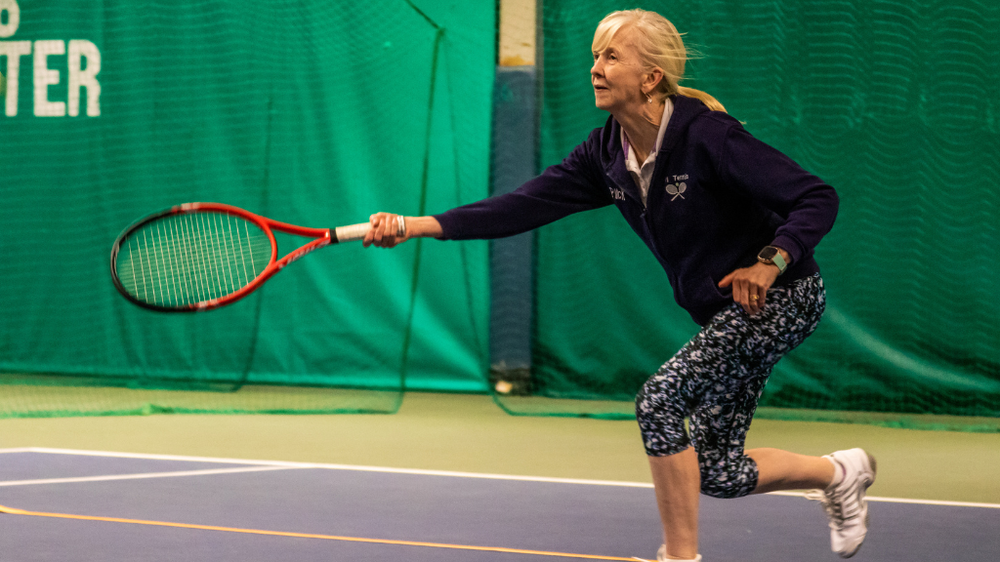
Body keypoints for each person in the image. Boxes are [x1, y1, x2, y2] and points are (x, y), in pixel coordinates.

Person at [363, 9, 875, 562]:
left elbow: (817, 197)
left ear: (650, 77)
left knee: (658, 402)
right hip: (725, 313)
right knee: (717, 471)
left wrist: (771, 260)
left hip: (786, 298)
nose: (595, 68)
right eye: (593, 56)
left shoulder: (708, 136)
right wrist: (416, 226)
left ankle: (678, 556)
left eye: (611, 56)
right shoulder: (606, 154)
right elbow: (519, 208)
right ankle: (840, 473)